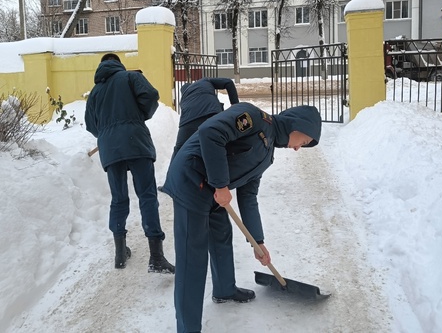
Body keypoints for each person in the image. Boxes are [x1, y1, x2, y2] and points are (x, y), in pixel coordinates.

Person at [162, 102, 322, 333]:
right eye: (304, 142)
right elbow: (210, 133)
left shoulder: (267, 155)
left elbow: (249, 197)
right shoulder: (253, 117)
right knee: (192, 258)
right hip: (190, 180)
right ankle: (187, 328)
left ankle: (224, 289)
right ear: (297, 126)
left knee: (222, 235)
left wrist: (258, 242)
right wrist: (221, 184)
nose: (298, 148)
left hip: (212, 190)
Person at [85, 53, 174, 274]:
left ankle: (119, 253)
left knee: (118, 198)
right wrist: (139, 116)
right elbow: (151, 96)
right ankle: (156, 257)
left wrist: (106, 133)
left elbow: (90, 124)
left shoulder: (95, 92)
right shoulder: (130, 77)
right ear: (118, 63)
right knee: (147, 195)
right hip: (136, 142)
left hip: (110, 149)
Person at [157, 77, 240, 192]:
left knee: (179, 150)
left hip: (188, 121)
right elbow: (228, 82)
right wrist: (235, 104)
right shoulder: (205, 81)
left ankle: (169, 185)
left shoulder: (184, 98)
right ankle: (223, 183)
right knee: (217, 146)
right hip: (212, 114)